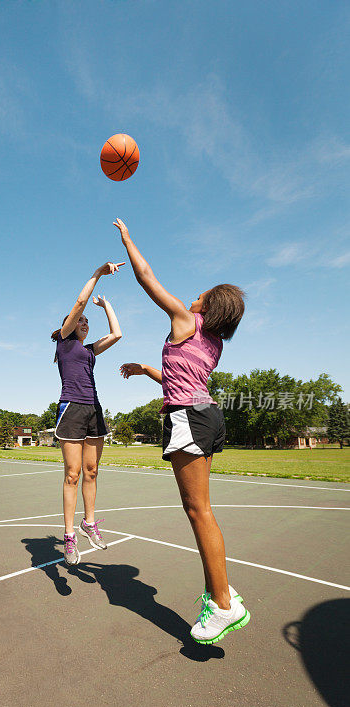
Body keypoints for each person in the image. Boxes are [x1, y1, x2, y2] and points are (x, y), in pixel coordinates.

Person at [114, 217, 249, 645]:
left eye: (201, 295)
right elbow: (182, 381)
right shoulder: (213, 342)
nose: (193, 296)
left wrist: (128, 240)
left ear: (207, 307)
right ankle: (222, 595)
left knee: (198, 510)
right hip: (207, 415)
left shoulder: (185, 319)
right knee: (201, 508)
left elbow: (146, 278)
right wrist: (146, 369)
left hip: (189, 417)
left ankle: (224, 604)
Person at [51, 262, 123, 567]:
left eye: (86, 321)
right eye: (80, 320)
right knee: (73, 474)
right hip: (72, 408)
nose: (84, 322)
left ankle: (89, 523)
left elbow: (117, 334)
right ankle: (69, 535)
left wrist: (107, 305)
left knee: (92, 472)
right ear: (69, 323)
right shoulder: (65, 343)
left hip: (94, 410)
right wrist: (97, 273)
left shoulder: (90, 350)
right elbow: (80, 302)